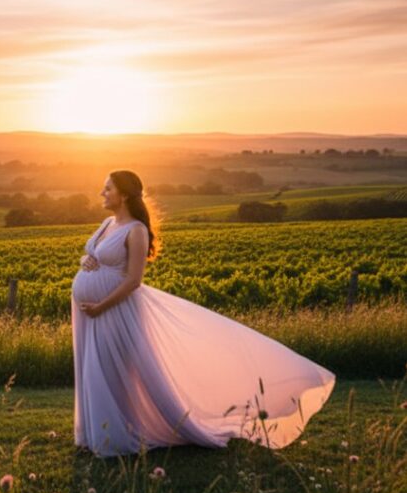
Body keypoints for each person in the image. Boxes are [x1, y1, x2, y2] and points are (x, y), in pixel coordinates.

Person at [71, 170, 335, 457]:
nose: (102, 193)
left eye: (107, 189)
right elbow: (97, 256)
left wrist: (101, 305)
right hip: (91, 313)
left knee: (113, 371)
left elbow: (134, 280)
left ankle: (118, 436)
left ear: (123, 194)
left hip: (115, 311)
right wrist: (88, 262)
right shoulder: (108, 223)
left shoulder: (136, 230)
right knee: (93, 368)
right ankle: (99, 432)